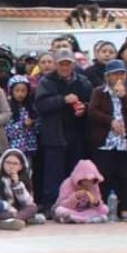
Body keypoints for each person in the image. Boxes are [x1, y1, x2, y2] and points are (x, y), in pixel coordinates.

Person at [35, 49, 93, 209]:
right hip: (54, 134)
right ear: (56, 65)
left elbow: (92, 104)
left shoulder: (83, 82)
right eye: (62, 64)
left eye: (68, 64)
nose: (65, 67)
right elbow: (40, 105)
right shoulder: (46, 82)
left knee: (75, 173)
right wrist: (62, 100)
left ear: (73, 65)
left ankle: (75, 204)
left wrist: (84, 108)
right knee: (53, 174)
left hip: (77, 134)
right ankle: (51, 206)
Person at [87, 60, 127, 221]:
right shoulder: (99, 92)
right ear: (107, 76)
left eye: (121, 74)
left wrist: (124, 97)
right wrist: (110, 120)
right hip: (105, 141)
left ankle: (124, 208)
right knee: (104, 175)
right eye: (115, 74)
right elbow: (92, 111)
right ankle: (102, 207)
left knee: (124, 175)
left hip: (123, 142)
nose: (118, 77)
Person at [0, 148, 40, 228]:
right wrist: (13, 211)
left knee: (33, 208)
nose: (11, 166)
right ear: (3, 163)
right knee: (1, 211)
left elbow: (28, 202)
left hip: (17, 209)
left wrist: (17, 184)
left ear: (20, 166)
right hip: (2, 209)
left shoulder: (24, 176)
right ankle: (20, 219)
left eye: (15, 164)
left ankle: (13, 220)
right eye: (8, 163)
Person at [6, 75, 39, 169]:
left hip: (30, 148)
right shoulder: (8, 108)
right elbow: (8, 131)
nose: (20, 94)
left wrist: (33, 124)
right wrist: (22, 125)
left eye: (23, 90)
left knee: (28, 172)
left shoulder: (31, 107)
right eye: (17, 90)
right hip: (14, 148)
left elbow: (38, 130)